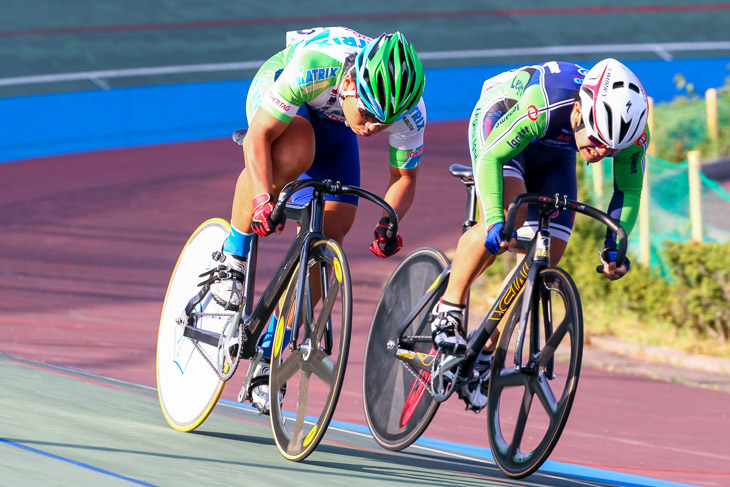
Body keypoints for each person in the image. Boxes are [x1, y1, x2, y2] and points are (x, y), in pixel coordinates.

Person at [210, 26, 427, 413]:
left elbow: (404, 178)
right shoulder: (316, 66)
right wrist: (262, 198)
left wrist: (389, 220)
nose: (373, 128)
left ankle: (271, 347)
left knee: (331, 234)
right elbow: (258, 137)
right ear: (349, 83)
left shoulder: (410, 111)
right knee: (294, 153)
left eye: (384, 122)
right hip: (286, 91)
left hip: (333, 122)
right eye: (368, 114)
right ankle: (232, 259)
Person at [429, 58, 649, 411]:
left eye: (610, 150)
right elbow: (490, 158)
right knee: (505, 221)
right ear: (579, 109)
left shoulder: (633, 135)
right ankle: (448, 310)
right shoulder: (546, 104)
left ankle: (485, 350)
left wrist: (614, 247)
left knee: (547, 255)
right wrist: (498, 218)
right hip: (502, 119)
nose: (599, 154)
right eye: (596, 140)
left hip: (556, 151)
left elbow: (629, 191)